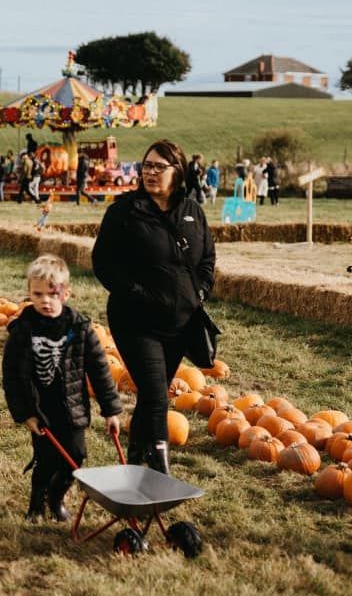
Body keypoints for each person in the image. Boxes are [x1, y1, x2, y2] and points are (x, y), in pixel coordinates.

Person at [91, 139, 215, 475]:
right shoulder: (124, 211)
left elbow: (206, 259)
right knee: (158, 396)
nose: (151, 172)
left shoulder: (192, 212)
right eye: (146, 165)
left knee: (151, 394)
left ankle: (134, 459)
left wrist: (200, 292)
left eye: (159, 166)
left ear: (178, 171)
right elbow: (102, 262)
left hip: (180, 322)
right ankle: (161, 472)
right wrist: (134, 292)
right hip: (136, 320)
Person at [2, 255, 122, 522]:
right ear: (29, 293)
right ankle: (36, 502)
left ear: (65, 293)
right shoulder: (22, 330)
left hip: (73, 406)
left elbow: (100, 371)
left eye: (52, 294)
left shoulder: (80, 328)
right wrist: (25, 414)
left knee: (75, 458)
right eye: (38, 294)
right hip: (41, 408)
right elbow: (11, 376)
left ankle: (55, 497)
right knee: (45, 460)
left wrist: (111, 410)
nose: (45, 300)